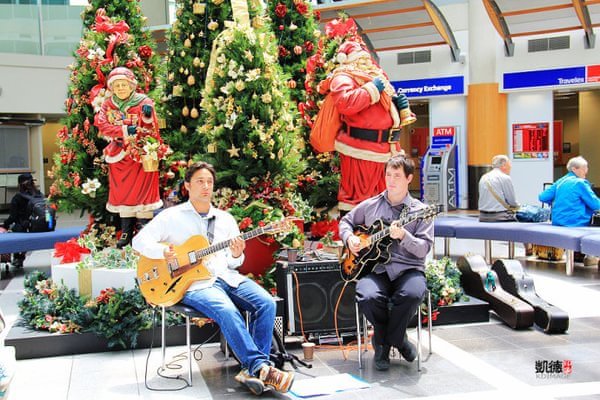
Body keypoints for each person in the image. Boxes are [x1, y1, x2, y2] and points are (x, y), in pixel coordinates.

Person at [131, 161, 294, 396]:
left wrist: (237, 254)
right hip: (193, 283)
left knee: (266, 303)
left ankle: (254, 370)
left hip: (226, 277)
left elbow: (233, 261)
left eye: (209, 182)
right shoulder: (171, 217)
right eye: (200, 181)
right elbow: (139, 242)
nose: (206, 186)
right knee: (227, 310)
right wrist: (163, 253)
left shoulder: (226, 219)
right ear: (187, 185)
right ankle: (259, 367)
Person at [339, 155, 433, 371]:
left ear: (409, 178)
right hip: (376, 269)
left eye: (397, 176)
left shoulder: (421, 211)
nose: (391, 180)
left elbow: (423, 249)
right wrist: (349, 238)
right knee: (367, 295)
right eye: (388, 174)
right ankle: (399, 341)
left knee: (411, 294)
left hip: (409, 269)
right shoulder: (371, 205)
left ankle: (383, 343)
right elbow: (346, 221)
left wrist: (403, 236)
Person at [317, 40, 415, 212]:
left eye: (367, 59)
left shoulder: (374, 78)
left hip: (385, 150)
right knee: (359, 198)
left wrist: (398, 107)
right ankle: (358, 235)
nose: (367, 62)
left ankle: (381, 234)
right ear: (349, 60)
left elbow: (378, 112)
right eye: (361, 59)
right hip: (360, 149)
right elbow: (345, 103)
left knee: (383, 197)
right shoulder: (343, 77)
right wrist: (371, 89)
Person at [94, 66, 163, 248]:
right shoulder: (108, 105)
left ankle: (143, 229)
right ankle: (125, 230)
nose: (121, 89)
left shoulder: (144, 102)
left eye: (124, 84)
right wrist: (124, 130)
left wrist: (146, 118)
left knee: (143, 192)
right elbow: (103, 126)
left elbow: (151, 128)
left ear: (132, 85)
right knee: (123, 192)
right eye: (117, 86)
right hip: (119, 154)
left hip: (139, 155)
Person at [539, 156, 600, 265]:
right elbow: (595, 204)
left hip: (557, 221)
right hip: (575, 222)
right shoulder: (580, 183)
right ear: (574, 169)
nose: (586, 170)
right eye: (584, 167)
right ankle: (590, 256)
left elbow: (543, 197)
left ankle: (582, 255)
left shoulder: (560, 182)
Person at [1, 173, 43, 267]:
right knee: (22, 227)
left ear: (20, 184)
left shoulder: (17, 197)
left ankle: (18, 257)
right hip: (40, 227)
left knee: (16, 229)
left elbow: (13, 217)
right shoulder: (39, 195)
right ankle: (20, 257)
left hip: (24, 228)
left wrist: (4, 225)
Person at [478, 155, 519, 222]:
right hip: (500, 216)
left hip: (482, 216)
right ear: (503, 166)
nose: (510, 167)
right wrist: (520, 208)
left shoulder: (483, 177)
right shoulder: (505, 178)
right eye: (509, 165)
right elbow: (512, 201)